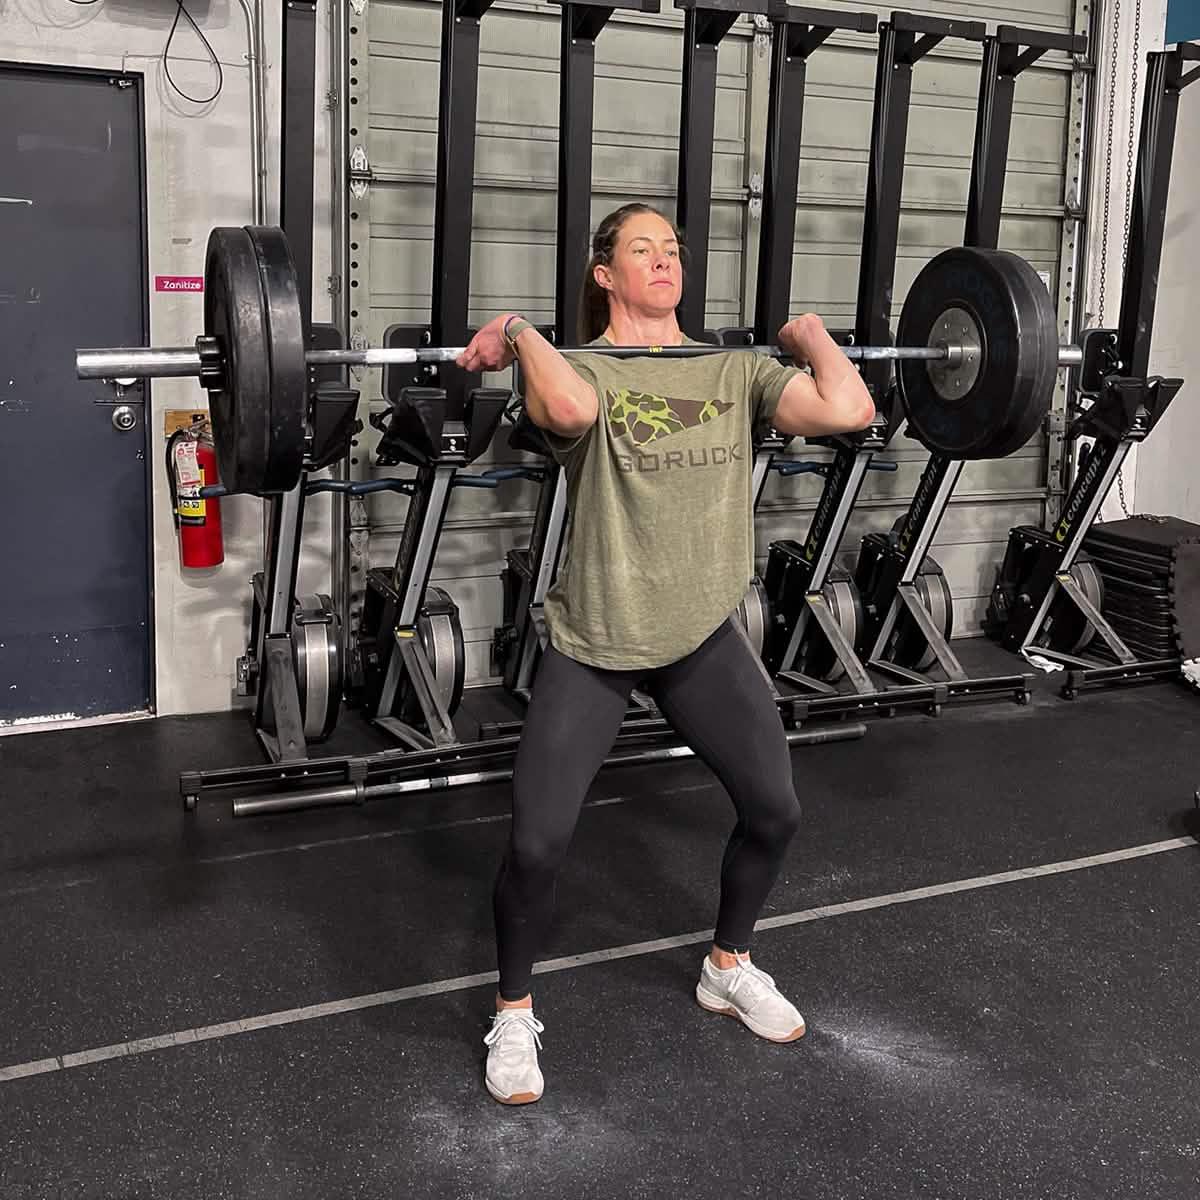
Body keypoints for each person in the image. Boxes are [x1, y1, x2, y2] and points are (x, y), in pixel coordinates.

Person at [456, 202, 875, 1106]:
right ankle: (514, 1010)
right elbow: (568, 407)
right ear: (603, 273)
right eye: (641, 250)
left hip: (700, 633)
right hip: (599, 636)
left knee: (776, 810)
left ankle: (727, 964)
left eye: (674, 250)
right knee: (537, 845)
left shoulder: (735, 369)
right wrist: (521, 331)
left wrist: (811, 335)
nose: (664, 262)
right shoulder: (577, 369)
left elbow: (850, 406)